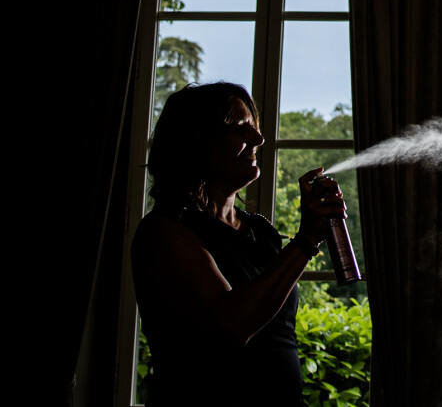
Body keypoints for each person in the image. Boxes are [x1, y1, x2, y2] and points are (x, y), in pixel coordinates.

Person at [131, 82, 347, 406]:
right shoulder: (164, 231)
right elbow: (232, 325)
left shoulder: (260, 231)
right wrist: (306, 240)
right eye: (240, 128)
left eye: (255, 127)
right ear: (197, 141)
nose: (259, 139)